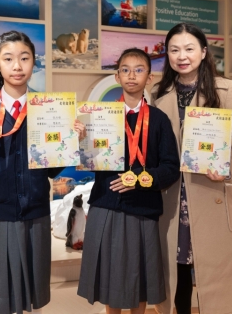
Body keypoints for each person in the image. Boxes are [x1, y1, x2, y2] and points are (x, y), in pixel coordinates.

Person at [0, 30, 86, 314]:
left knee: (32, 296)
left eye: (24, 58)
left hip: (35, 214)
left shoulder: (49, 110)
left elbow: (51, 171)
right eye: (8, 59)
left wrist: (70, 142)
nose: (17, 66)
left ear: (34, 62)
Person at [151, 23, 232, 314]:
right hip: (172, 192)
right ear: (167, 54)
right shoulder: (157, 92)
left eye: (189, 49)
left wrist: (225, 166)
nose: (182, 56)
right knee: (176, 266)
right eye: (174, 50)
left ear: (203, 52)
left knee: (214, 268)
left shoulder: (224, 88)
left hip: (209, 187)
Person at [78, 48, 180, 314]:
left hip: (142, 207)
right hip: (105, 203)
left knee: (140, 280)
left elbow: (171, 168)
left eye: (139, 70)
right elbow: (85, 159)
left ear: (149, 78)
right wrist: (78, 140)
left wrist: (141, 180)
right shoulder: (98, 116)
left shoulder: (159, 120)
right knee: (109, 278)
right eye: (125, 70)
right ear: (117, 76)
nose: (131, 75)